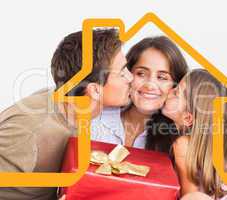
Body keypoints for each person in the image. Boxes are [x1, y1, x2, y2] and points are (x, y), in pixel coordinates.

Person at [0, 28, 133, 200]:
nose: (130, 78)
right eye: (122, 72)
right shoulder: (29, 128)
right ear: (94, 90)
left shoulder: (74, 110)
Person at [162, 69, 227, 199]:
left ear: (188, 118)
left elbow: (190, 197)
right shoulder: (224, 159)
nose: (170, 91)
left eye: (176, 92)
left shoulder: (183, 145)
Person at [91, 36, 188, 152]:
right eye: (141, 74)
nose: (150, 85)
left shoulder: (179, 142)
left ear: (175, 86)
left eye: (162, 77)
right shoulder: (95, 117)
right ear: (127, 74)